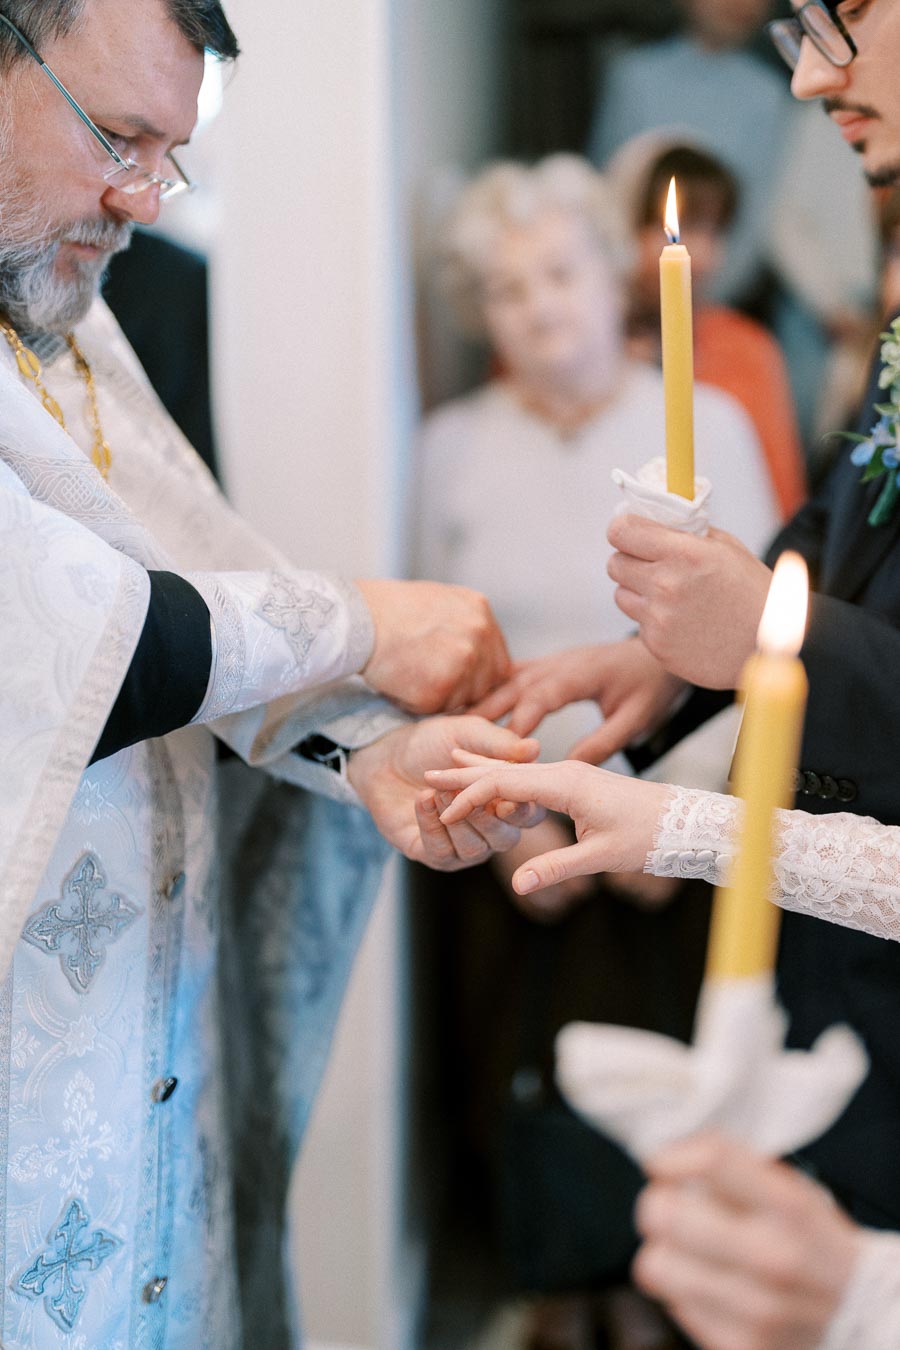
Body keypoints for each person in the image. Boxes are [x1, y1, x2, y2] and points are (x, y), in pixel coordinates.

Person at [0, 3, 543, 1345]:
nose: (140, 197)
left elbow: (191, 574)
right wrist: (363, 622)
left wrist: (366, 749)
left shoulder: (60, 320)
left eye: (167, 153)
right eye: (117, 136)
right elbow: (79, 639)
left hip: (144, 1066)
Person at [459, 0, 900, 1264]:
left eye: (843, 19)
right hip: (836, 993)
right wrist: (672, 666)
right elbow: (839, 524)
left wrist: (762, 627)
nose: (810, 77)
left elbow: (806, 611)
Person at [412, 153, 777, 1350]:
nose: (542, 306)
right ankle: (556, 1293)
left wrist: (668, 819)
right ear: (483, 313)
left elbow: (762, 645)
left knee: (683, 1072)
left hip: (680, 822)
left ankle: (673, 1300)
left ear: (612, 277)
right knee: (518, 1067)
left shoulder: (705, 417)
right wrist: (532, 808)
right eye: (510, 291)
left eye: (561, 272)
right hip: (518, 822)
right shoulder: (450, 443)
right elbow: (440, 649)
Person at [589, 0, 878, 445]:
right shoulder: (635, 76)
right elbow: (606, 186)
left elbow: (765, 207)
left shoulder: (769, 92)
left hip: (723, 300)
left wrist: (704, 283)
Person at [610, 133, 807, 519]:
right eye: (682, 230)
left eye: (715, 230)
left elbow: (782, 500)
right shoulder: (577, 347)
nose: (702, 256)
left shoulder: (747, 349)